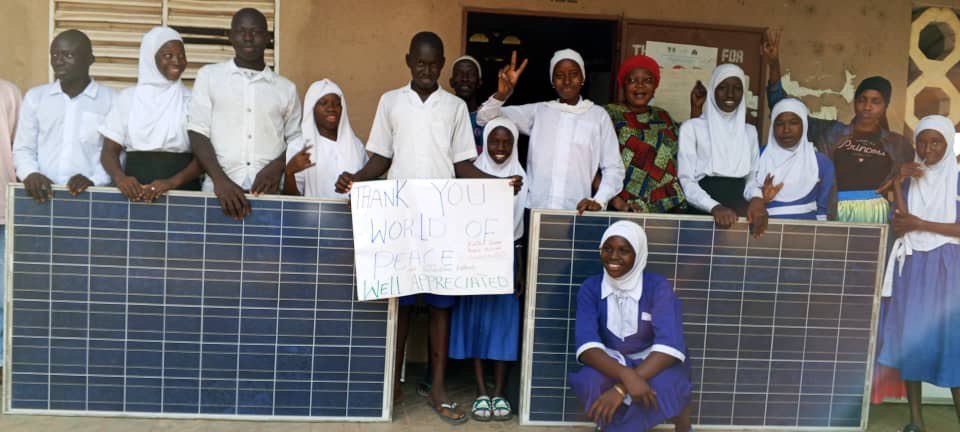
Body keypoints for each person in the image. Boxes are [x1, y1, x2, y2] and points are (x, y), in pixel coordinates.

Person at [334, 31, 520, 425]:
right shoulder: (391, 102)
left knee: (440, 306)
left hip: (442, 221)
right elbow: (381, 158)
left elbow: (461, 165)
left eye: (434, 63)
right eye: (420, 62)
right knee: (399, 305)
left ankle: (437, 389)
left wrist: (498, 184)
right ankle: (392, 385)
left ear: (442, 65)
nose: (427, 69)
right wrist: (356, 179)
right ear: (408, 61)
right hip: (400, 218)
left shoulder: (454, 107)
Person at [763, 29, 913, 402]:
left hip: (877, 222)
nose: (867, 107)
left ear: (885, 105)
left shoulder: (898, 144)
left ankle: (866, 385)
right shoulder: (831, 131)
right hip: (837, 217)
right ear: (854, 101)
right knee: (833, 294)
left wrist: (903, 173)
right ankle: (826, 375)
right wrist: (773, 63)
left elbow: (927, 168)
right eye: (862, 99)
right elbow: (784, 105)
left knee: (871, 298)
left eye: (875, 101)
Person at [878, 115, 960, 432]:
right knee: (911, 340)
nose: (928, 149)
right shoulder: (912, 177)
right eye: (922, 142)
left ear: (948, 144)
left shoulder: (957, 178)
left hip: (949, 266)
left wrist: (921, 224)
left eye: (936, 142)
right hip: (912, 264)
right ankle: (916, 421)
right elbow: (902, 222)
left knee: (951, 342)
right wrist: (899, 181)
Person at [569, 220, 692, 432]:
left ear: (639, 254)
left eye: (624, 250)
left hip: (652, 361)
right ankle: (613, 423)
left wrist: (620, 388)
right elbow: (587, 346)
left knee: (669, 384)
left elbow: (670, 345)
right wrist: (627, 376)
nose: (613, 257)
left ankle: (676, 424)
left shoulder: (657, 286)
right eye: (607, 249)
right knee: (589, 380)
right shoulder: (591, 288)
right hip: (613, 361)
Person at [476, 49, 625, 213]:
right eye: (559, 76)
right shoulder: (539, 111)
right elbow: (483, 118)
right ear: (552, 81)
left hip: (577, 211)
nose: (567, 81)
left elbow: (613, 168)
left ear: (582, 77)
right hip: (535, 209)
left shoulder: (598, 116)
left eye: (573, 74)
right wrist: (501, 95)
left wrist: (600, 200)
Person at [188, 8, 301, 219]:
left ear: (268, 37)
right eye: (241, 31)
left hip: (270, 196)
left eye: (255, 31)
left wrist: (278, 166)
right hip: (218, 194)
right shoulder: (209, 77)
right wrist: (220, 180)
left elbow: (296, 139)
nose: (248, 37)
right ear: (230, 36)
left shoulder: (286, 88)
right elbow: (197, 132)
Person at [448, 117, 526, 422]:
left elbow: (520, 231)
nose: (500, 147)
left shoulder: (522, 178)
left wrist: (519, 270)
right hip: (475, 260)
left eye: (507, 142)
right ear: (485, 142)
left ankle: (500, 392)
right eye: (494, 140)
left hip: (507, 261)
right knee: (478, 326)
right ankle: (482, 390)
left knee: (503, 326)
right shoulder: (470, 176)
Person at [99, 26, 202, 202]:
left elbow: (204, 157)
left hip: (184, 192)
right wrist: (121, 179)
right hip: (135, 193)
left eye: (181, 56)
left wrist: (172, 183)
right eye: (168, 55)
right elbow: (109, 151)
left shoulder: (192, 100)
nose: (177, 61)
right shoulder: (128, 98)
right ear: (149, 57)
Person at [13, 29, 114, 202]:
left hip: (92, 199)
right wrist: (30, 173)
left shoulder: (112, 100)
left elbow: (117, 154)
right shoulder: (35, 97)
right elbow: (23, 148)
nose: (58, 61)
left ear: (90, 59)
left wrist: (95, 180)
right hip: (42, 198)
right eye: (54, 55)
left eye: (68, 55)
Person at [677, 64, 767, 233]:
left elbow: (751, 177)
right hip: (701, 212)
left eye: (737, 88)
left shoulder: (749, 132)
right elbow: (686, 180)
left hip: (738, 216)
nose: (730, 94)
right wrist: (714, 207)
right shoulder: (691, 128)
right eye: (723, 87)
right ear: (712, 90)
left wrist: (757, 198)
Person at [606, 55, 691, 213]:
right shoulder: (609, 115)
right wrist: (617, 202)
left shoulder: (663, 117)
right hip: (623, 208)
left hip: (668, 207)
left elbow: (683, 153)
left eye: (647, 80)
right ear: (623, 84)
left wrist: (696, 109)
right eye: (632, 80)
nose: (640, 86)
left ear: (655, 86)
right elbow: (591, 164)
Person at [748, 98, 835, 220]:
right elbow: (747, 190)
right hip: (763, 227)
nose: (786, 129)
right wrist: (760, 197)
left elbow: (822, 212)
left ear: (804, 124)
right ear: (772, 126)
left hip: (806, 229)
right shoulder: (758, 156)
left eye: (794, 123)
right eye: (779, 124)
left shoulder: (820, 162)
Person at [283, 79, 366, 198]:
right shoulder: (299, 146)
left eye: (337, 104)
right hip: (314, 211)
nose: (331, 108)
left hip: (350, 210)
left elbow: (367, 187)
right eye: (323, 103)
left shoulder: (356, 145)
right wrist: (289, 172)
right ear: (312, 108)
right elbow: (292, 200)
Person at [0, 78, 21, 382]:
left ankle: (3, 364)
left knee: (5, 294)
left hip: (3, 209)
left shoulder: (10, 93)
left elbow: (21, 147)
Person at [449, 55, 484, 153]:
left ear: (479, 82)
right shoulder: (442, 116)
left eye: (471, 74)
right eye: (459, 74)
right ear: (451, 82)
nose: (465, 78)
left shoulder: (488, 118)